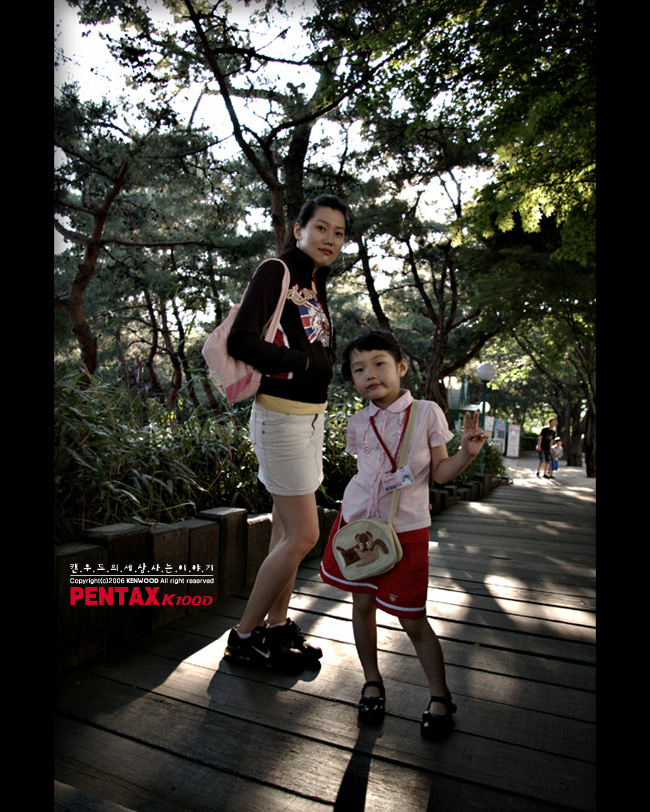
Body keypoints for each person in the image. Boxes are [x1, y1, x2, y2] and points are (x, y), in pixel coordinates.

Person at [319, 330, 488, 740]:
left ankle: (440, 695)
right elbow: (366, 474)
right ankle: (372, 683)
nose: (369, 374)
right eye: (358, 369)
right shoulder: (358, 422)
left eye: (379, 363)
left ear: (401, 367)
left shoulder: (427, 412)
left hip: (406, 530)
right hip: (357, 526)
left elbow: (440, 472)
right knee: (362, 606)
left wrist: (466, 454)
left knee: (412, 619)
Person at [223, 194, 351, 675]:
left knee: (284, 530)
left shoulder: (314, 281)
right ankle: (243, 636)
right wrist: (301, 363)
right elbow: (241, 339)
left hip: (310, 419)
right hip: (281, 419)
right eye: (321, 228)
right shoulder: (276, 270)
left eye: (339, 233)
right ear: (299, 229)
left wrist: (318, 365)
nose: (330, 239)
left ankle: (276, 627)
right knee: (304, 534)